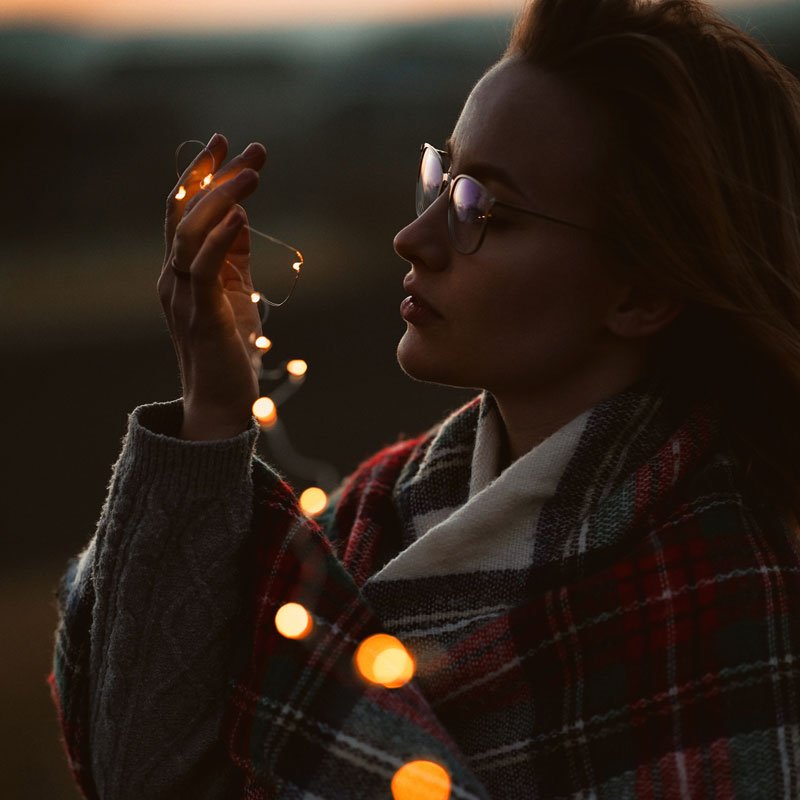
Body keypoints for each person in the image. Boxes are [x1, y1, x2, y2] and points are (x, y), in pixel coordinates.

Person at [51, 0, 800, 797]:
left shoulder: (734, 600)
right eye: (441, 175)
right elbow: (139, 769)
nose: (415, 238)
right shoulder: (371, 519)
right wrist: (209, 408)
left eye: (484, 209)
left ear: (642, 291)